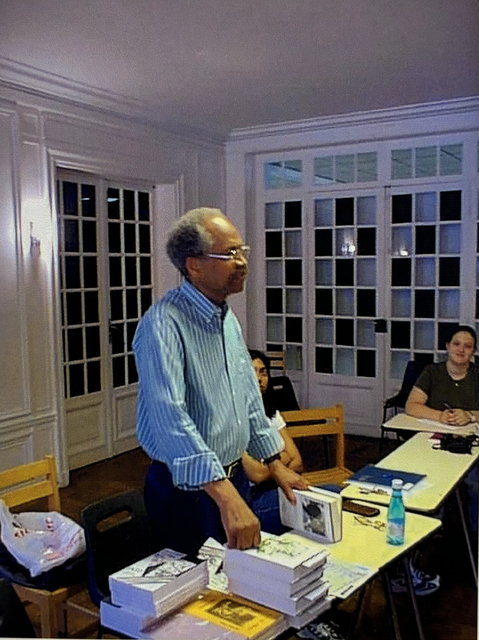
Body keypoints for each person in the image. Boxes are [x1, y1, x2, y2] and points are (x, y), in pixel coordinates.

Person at [132, 207, 308, 556]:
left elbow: (248, 399)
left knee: (237, 580)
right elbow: (171, 420)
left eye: (243, 251)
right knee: (202, 600)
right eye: (230, 254)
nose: (242, 261)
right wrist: (226, 495)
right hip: (186, 490)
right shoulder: (163, 324)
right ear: (194, 265)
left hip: (232, 479)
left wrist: (274, 463)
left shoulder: (226, 318)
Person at [402, 324, 479, 595]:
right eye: (456, 344)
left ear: (473, 351)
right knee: (426, 486)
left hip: (469, 446)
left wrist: (470, 415)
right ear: (447, 346)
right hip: (432, 443)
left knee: (475, 485)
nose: (461, 349)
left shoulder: (477, 375)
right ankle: (424, 536)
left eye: (467, 346)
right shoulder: (432, 372)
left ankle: (473, 542)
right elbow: (411, 406)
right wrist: (440, 416)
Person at [241, 350, 303, 534]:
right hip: (251, 499)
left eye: (263, 372)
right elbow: (256, 474)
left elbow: (298, 462)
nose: (259, 379)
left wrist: (269, 465)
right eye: (253, 372)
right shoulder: (234, 419)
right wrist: (282, 460)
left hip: (276, 487)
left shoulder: (272, 414)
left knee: (331, 495)